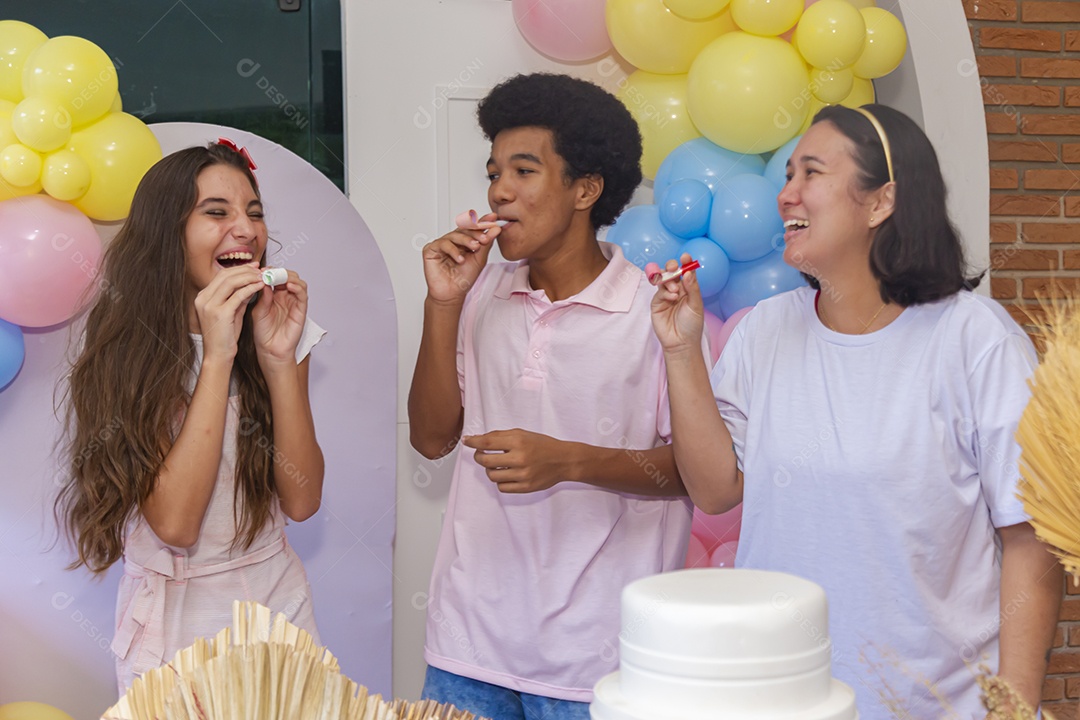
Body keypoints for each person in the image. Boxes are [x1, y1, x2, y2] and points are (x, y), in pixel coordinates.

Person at [650, 104, 1063, 719]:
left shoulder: (975, 340)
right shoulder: (766, 331)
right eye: (786, 174)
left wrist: (1017, 705)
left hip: (928, 705)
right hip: (779, 697)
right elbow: (713, 491)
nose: (785, 194)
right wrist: (682, 350)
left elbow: (1029, 538)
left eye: (810, 173)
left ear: (880, 202)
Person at [409, 73, 695, 719]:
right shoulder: (479, 292)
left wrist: (569, 460)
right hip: (466, 649)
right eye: (493, 172)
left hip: (597, 666)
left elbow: (698, 477)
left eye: (524, 170)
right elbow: (429, 438)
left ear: (585, 190)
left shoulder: (654, 313)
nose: (498, 191)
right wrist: (443, 302)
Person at [56, 141, 326, 692]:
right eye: (216, 212)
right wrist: (218, 355)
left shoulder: (279, 332)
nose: (245, 229)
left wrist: (278, 361)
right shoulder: (127, 351)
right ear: (168, 234)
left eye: (254, 211)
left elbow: (302, 500)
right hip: (176, 621)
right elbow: (176, 525)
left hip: (277, 602)